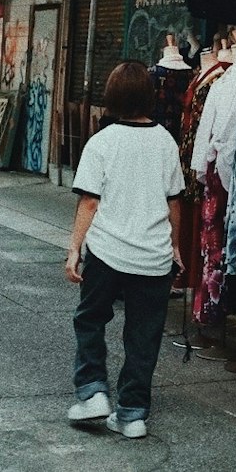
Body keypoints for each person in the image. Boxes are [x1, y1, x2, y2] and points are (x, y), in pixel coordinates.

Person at [65, 60, 185, 438]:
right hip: (153, 258)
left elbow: (89, 203)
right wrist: (175, 247)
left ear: (112, 97)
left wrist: (73, 248)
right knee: (143, 335)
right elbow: (174, 203)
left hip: (107, 253)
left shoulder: (102, 142)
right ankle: (132, 413)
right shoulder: (166, 141)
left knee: (90, 319)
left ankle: (92, 392)